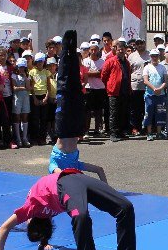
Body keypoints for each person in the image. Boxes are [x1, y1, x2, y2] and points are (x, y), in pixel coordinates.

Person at [0, 167, 152, 250]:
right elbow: (39, 230)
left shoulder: (31, 208)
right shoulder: (45, 215)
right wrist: (44, 244)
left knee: (125, 207)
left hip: (70, 179)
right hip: (71, 183)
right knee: (81, 216)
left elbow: (4, 227)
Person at [47, 30, 108, 181]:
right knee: (73, 83)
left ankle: (68, 44)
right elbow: (99, 170)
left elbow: (58, 173)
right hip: (75, 127)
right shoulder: (75, 165)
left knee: (64, 85)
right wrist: (107, 190)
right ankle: (71, 44)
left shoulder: (54, 164)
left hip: (63, 127)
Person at [100, 40, 132, 142]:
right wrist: (110, 85)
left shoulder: (126, 62)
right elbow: (103, 75)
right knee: (113, 113)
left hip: (124, 91)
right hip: (114, 91)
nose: (121, 51)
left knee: (123, 113)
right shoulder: (110, 61)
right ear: (116, 50)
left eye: (122, 49)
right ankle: (113, 133)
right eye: (119, 49)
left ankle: (120, 132)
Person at [142, 48, 167, 141]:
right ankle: (149, 133)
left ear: (158, 56)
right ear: (150, 57)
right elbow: (145, 80)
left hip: (161, 95)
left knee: (160, 113)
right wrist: (154, 88)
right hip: (149, 95)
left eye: (156, 56)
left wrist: (160, 89)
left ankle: (159, 132)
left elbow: (165, 81)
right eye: (152, 56)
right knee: (149, 113)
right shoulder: (147, 67)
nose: (154, 58)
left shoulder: (162, 67)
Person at [82, 43, 106, 136]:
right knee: (87, 110)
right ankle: (86, 130)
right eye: (91, 49)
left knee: (98, 110)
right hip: (88, 88)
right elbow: (84, 74)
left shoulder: (102, 62)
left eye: (95, 49)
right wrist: (93, 73)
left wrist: (90, 73)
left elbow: (100, 74)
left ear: (98, 50)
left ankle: (97, 130)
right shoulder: (85, 61)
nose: (93, 51)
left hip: (100, 88)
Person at [11, 57, 31, 147]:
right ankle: (18, 138)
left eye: (23, 67)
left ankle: (24, 137)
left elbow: (29, 87)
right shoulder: (14, 75)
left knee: (25, 116)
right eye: (20, 67)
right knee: (17, 117)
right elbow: (14, 88)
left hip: (25, 98)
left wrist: (26, 78)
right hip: (17, 98)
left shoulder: (27, 75)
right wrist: (23, 88)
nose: (21, 69)